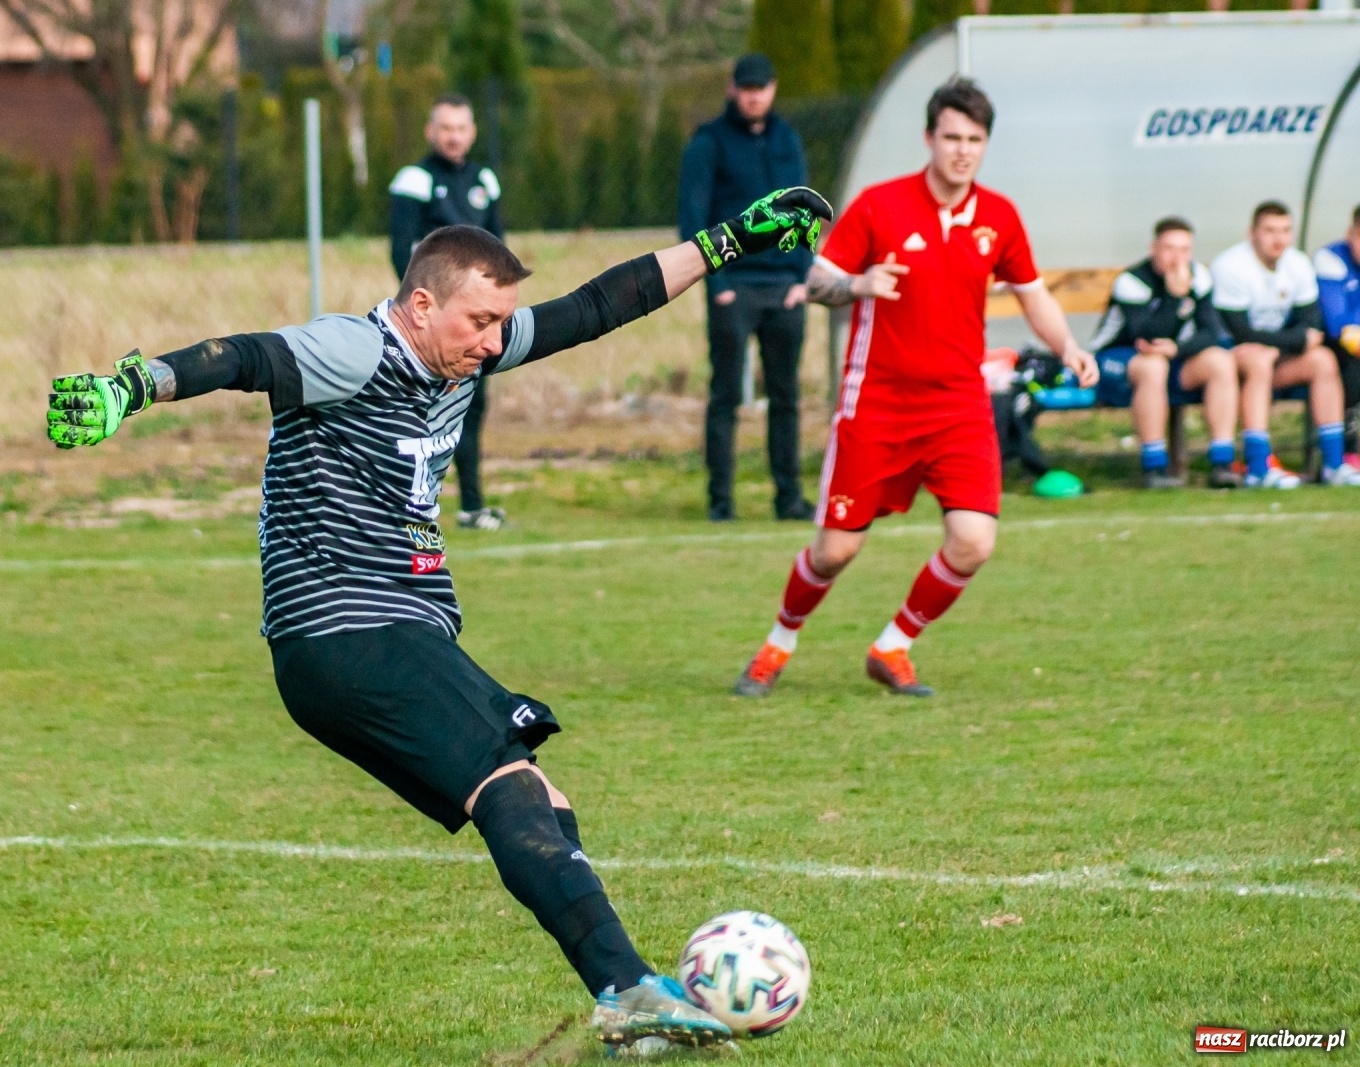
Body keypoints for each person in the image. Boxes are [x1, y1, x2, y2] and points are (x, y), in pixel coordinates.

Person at [44, 190, 832, 1050]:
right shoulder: (356, 348)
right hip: (348, 628)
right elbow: (248, 357)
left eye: (501, 321)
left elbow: (601, 306)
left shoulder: (464, 354)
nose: (495, 340)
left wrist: (728, 242)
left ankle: (626, 1005)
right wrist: (135, 385)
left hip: (374, 639)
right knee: (512, 780)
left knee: (540, 799)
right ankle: (626, 986)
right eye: (480, 319)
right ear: (422, 305)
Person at [732, 78, 1097, 700]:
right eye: (951, 137)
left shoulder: (1000, 217)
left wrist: (1069, 347)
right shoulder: (880, 206)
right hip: (876, 404)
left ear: (985, 145)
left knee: (974, 540)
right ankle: (778, 643)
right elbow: (818, 283)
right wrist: (862, 285)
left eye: (974, 140)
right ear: (929, 138)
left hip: (958, 404)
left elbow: (1034, 294)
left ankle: (894, 645)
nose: (961, 150)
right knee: (835, 552)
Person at [678, 53, 815, 522]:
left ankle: (789, 498)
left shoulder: (787, 139)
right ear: (732, 88)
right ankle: (721, 502)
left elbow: (805, 209)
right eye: (747, 87)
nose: (755, 96)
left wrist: (802, 277)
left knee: (786, 396)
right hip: (734, 288)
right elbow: (693, 217)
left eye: (762, 87)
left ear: (773, 89)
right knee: (726, 396)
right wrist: (717, 283)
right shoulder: (709, 142)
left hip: (785, 290)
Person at [389, 93, 509, 530]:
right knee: (421, 413)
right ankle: (409, 505)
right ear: (430, 131)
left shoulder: (485, 180)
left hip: (478, 323)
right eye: (445, 128)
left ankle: (472, 505)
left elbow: (499, 252)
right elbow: (402, 254)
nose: (453, 136)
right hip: (432, 324)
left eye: (461, 128)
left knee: (471, 410)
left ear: (472, 132)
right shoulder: (414, 181)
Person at [1211, 200, 1360, 487]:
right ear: (1251, 233)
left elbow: (1313, 324)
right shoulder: (1231, 266)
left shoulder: (1297, 264)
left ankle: (1333, 464)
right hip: (1231, 360)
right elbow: (1240, 333)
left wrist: (1290, 342)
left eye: (1285, 230)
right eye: (1269, 230)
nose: (1278, 239)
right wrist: (1295, 340)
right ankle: (1258, 467)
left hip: (1277, 356)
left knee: (1322, 360)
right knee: (1259, 360)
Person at [1087, 216, 1240, 489]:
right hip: (1114, 361)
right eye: (1169, 248)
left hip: (1168, 359)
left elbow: (1213, 333)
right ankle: (1155, 467)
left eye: (1184, 250)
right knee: (1152, 365)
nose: (1176, 258)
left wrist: (1179, 348)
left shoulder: (1199, 277)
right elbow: (1144, 336)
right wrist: (1173, 296)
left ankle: (1222, 463)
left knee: (1220, 360)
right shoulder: (1132, 281)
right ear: (1153, 248)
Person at [1312, 203, 1360, 459]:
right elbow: (1337, 324)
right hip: (1337, 345)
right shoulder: (1329, 259)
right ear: (1350, 234)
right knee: (1349, 363)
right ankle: (1347, 449)